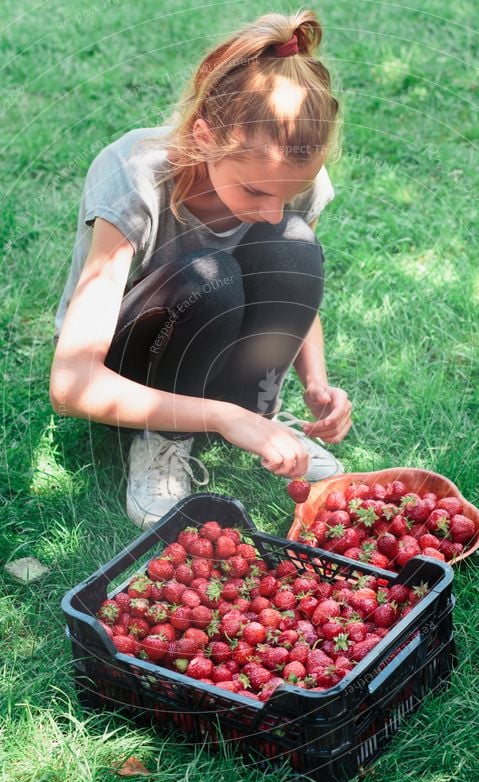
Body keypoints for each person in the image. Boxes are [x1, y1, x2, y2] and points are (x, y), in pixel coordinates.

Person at [49, 9, 353, 530]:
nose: (271, 211)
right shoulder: (135, 176)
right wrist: (220, 416)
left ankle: (258, 413)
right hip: (135, 363)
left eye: (290, 193)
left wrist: (316, 381)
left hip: (222, 344)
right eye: (255, 191)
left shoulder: (287, 179)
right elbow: (71, 383)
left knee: (296, 246)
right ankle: (164, 440)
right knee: (211, 277)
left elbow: (292, 277)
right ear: (205, 136)